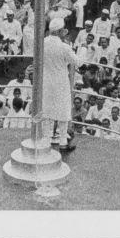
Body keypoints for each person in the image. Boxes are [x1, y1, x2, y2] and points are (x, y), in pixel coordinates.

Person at [41, 17, 79, 148]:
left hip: (46, 81)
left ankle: (46, 139)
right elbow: (78, 62)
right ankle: (63, 141)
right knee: (63, 109)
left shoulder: (42, 43)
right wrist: (82, 49)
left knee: (48, 109)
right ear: (59, 31)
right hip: (61, 82)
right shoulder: (64, 46)